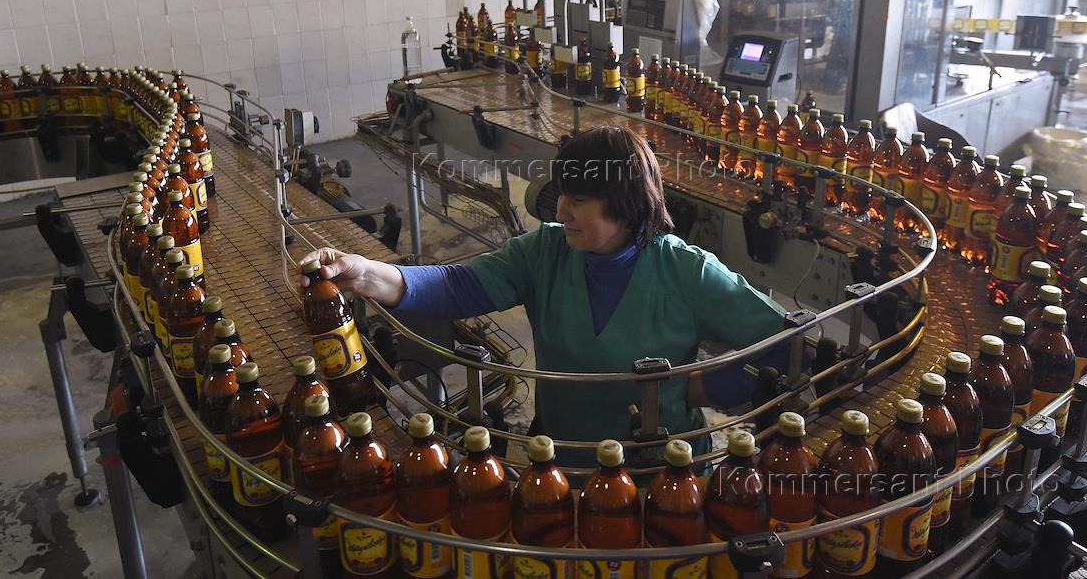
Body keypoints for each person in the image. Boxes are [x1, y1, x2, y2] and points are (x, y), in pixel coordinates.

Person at [298, 125, 789, 466]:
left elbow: (785, 345)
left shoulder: (686, 271)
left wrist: (696, 389)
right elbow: (455, 286)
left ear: (624, 204)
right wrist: (365, 274)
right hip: (559, 463)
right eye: (562, 195)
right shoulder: (546, 252)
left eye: (579, 199)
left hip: (660, 472)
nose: (561, 211)